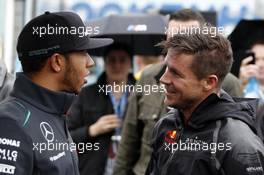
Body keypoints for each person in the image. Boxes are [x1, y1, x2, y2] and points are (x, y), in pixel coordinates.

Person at [113, 9, 243, 175]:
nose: (179, 44)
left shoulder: (229, 84)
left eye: (187, 37)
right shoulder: (148, 76)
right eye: (173, 37)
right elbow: (129, 139)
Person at [0, 11, 112, 175]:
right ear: (57, 62)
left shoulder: (54, 111)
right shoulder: (11, 123)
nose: (90, 62)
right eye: (83, 53)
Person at [146, 26, 264, 175]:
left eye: (175, 73)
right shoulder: (165, 125)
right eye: (166, 68)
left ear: (209, 82)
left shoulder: (238, 143)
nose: (163, 79)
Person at [67, 42, 136, 175]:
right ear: (105, 63)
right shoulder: (85, 94)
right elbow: (66, 136)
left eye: (122, 60)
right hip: (93, 168)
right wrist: (92, 130)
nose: (117, 65)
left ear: (130, 64)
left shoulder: (142, 94)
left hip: (131, 167)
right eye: (112, 60)